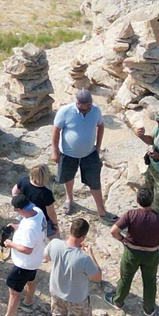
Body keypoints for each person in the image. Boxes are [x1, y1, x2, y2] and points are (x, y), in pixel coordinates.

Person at [109, 184, 159, 316]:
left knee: (126, 278)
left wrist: (122, 239)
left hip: (131, 252)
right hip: (151, 254)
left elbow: (113, 231)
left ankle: (118, 301)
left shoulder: (131, 214)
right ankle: (149, 309)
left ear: (137, 200)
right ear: (152, 200)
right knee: (149, 281)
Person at [46, 215, 105, 316]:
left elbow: (46, 257)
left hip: (56, 292)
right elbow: (97, 277)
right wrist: (90, 254)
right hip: (77, 299)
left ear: (70, 230)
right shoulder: (84, 258)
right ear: (84, 236)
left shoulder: (55, 244)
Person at [51, 85, 109, 218]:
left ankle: (101, 209)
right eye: (83, 105)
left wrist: (98, 147)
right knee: (68, 177)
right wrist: (55, 151)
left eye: (89, 104)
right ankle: (69, 200)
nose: (86, 107)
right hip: (68, 153)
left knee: (94, 180)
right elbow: (56, 130)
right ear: (77, 103)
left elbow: (100, 126)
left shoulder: (95, 110)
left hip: (89, 153)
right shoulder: (65, 111)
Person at [1, 199, 51, 316]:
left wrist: (10, 244)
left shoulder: (30, 227)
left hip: (24, 264)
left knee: (14, 292)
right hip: (35, 259)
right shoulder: (38, 212)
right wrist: (16, 227)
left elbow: (27, 250)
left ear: (19, 209)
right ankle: (28, 302)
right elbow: (30, 229)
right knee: (31, 280)